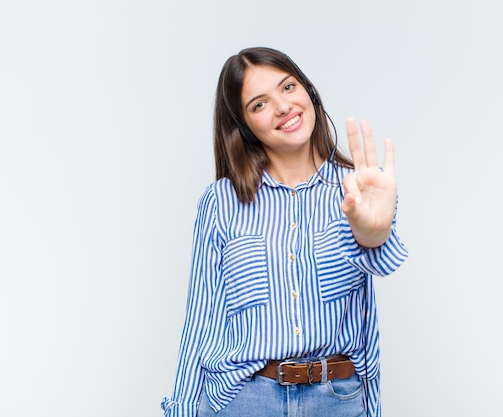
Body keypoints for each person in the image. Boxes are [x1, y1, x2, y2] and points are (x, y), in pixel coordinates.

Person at [161, 46, 408, 417]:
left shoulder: (359, 189)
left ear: (307, 90)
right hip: (245, 401)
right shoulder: (221, 202)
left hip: (336, 401)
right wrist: (180, 410)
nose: (282, 107)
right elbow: (202, 320)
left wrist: (372, 232)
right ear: (243, 125)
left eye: (288, 87)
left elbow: (379, 260)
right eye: (259, 104)